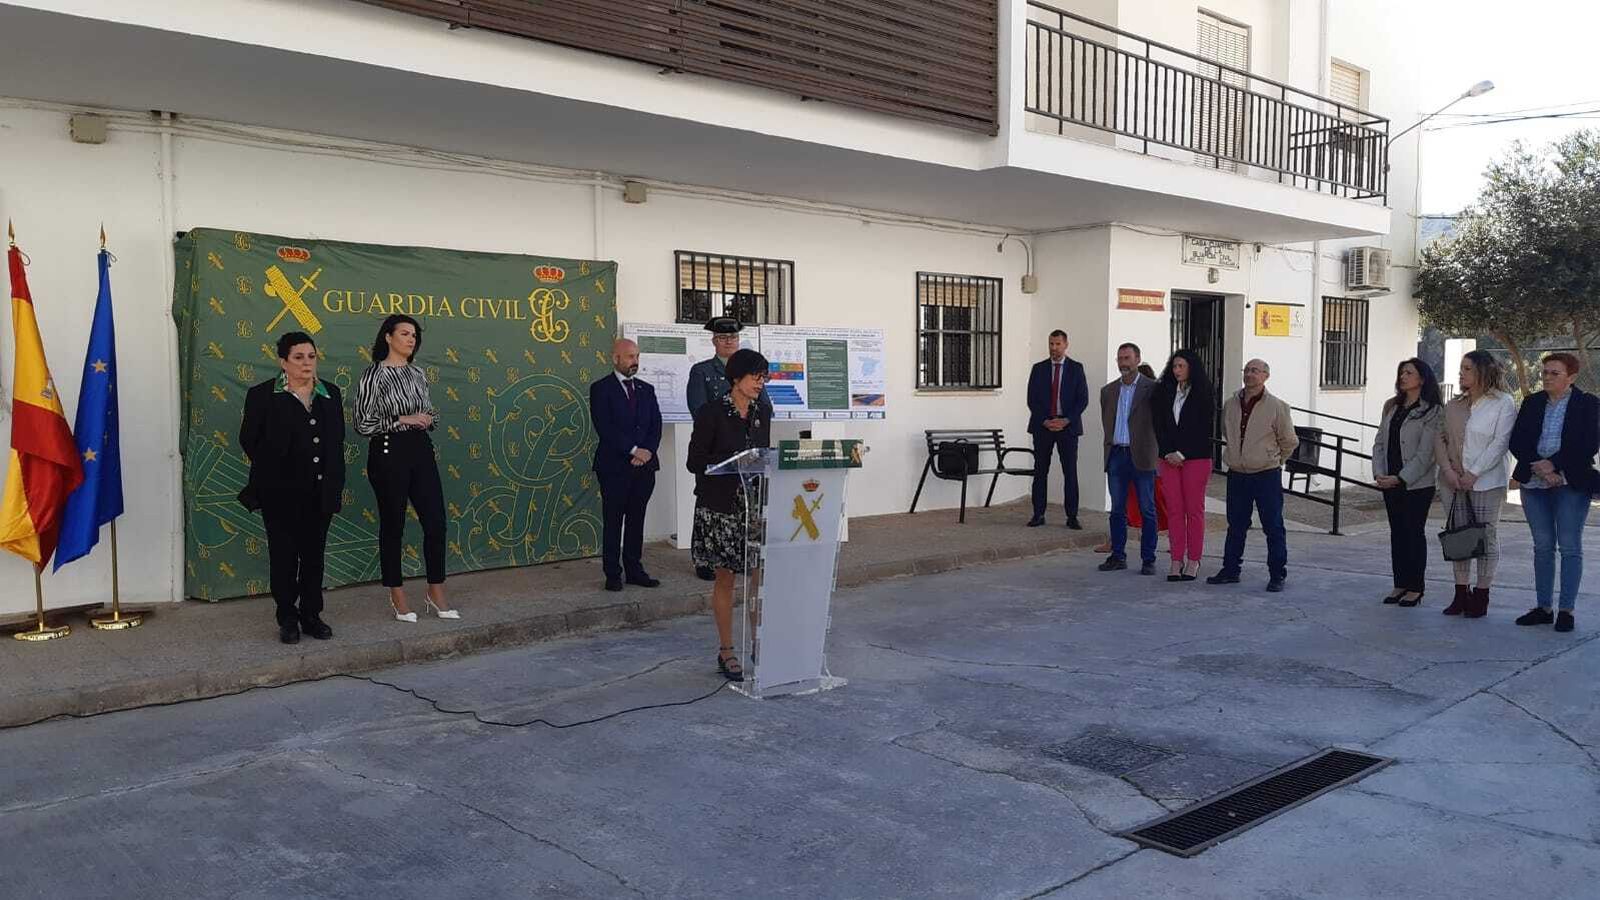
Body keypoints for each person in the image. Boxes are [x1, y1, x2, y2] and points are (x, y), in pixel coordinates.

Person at [238, 331, 346, 644]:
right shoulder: (262, 395)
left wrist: (333, 484)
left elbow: (335, 443)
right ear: (283, 361)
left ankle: (311, 615)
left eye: (311, 356)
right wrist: (275, 471)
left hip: (320, 492)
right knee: (284, 557)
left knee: (314, 557)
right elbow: (249, 439)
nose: (306, 363)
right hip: (280, 494)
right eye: (298, 357)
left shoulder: (331, 394)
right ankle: (287, 616)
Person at [353, 314, 459, 622]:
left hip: (420, 450)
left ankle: (435, 590)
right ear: (388, 337)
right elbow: (362, 423)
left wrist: (427, 417)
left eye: (414, 335)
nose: (411, 339)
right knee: (393, 526)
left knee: (436, 522)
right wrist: (402, 419)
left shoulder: (418, 373)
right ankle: (396, 593)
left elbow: (429, 412)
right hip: (387, 451)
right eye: (404, 333)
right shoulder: (372, 375)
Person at [686, 349, 772, 682]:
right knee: (726, 577)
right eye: (755, 377)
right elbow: (695, 462)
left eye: (764, 378)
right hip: (721, 508)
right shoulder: (711, 413)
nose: (760, 384)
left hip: (753, 506)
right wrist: (730, 461)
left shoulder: (762, 412)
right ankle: (726, 650)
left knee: (758, 577)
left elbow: (762, 456)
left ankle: (758, 644)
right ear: (736, 378)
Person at [1509, 352, 1599, 633]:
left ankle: (1566, 610)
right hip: (1534, 483)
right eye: (1545, 372)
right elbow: (1518, 440)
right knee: (1543, 547)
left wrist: (1555, 465)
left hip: (1570, 483)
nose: (1546, 377)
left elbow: (1588, 444)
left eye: (1554, 373)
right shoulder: (1532, 402)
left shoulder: (1588, 404)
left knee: (1570, 546)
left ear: (1571, 377)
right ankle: (1543, 607)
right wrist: (1540, 467)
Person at [686, 316, 772, 581]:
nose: (728, 342)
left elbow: (766, 407)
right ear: (714, 341)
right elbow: (698, 409)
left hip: (748, 473)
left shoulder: (755, 380)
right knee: (713, 509)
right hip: (717, 452)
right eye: (723, 338)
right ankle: (706, 560)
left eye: (733, 337)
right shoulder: (702, 371)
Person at [1434, 349, 1517, 618]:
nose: (1461, 373)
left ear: (1483, 371)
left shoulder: (1502, 403)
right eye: (1461, 368)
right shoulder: (1454, 405)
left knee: (1485, 537)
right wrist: (1448, 471)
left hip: (1486, 482)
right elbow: (1440, 438)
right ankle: (1460, 594)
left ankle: (1481, 596)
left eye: (1467, 368)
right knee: (1459, 537)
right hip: (1453, 482)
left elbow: (1500, 443)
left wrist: (1474, 473)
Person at [1207, 358, 1297, 592]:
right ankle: (1230, 570)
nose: (1249, 374)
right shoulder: (1230, 404)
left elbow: (1288, 441)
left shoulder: (1277, 406)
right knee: (1235, 525)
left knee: (1273, 526)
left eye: (1255, 371)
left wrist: (1274, 460)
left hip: (1266, 475)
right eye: (1246, 370)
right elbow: (1226, 431)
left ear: (1266, 376)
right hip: (1237, 475)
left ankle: (1277, 574)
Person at [589, 338, 663, 592]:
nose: (635, 362)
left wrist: (647, 452)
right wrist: (633, 450)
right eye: (630, 357)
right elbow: (605, 428)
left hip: (644, 467)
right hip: (613, 467)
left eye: (637, 356)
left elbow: (655, 426)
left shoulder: (647, 389)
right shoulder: (601, 389)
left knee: (637, 519)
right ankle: (612, 573)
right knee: (613, 520)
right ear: (616, 358)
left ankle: (634, 569)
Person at [1371, 359, 1443, 607]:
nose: (1403, 376)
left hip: (1415, 484)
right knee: (1397, 533)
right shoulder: (1392, 406)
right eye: (1401, 372)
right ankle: (1399, 583)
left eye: (1409, 373)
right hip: (1388, 481)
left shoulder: (1432, 410)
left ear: (1422, 378)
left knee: (1413, 533)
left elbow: (1426, 454)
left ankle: (1415, 587)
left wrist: (1401, 478)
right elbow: (1380, 442)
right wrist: (1379, 473)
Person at [1153, 349, 1214, 582]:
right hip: (1168, 459)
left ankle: (1194, 559)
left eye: (1182, 366)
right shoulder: (1163, 392)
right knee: (1175, 511)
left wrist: (1182, 452)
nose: (1177, 370)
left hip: (1195, 458)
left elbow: (1203, 427)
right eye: (1174, 366)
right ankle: (1176, 559)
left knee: (1193, 510)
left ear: (1191, 368)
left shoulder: (1203, 392)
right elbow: (1159, 425)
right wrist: (1169, 451)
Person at [1098, 343, 1160, 575]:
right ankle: (1118, 555)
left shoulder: (1152, 389)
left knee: (1147, 508)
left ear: (1137, 359)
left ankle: (1148, 558)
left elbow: (1160, 423)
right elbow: (1107, 422)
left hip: (1143, 456)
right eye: (1120, 358)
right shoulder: (1108, 391)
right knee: (1117, 509)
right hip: (1117, 454)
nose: (1123, 363)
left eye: (1127, 358)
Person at [1026, 329, 1088, 529]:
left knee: (1069, 472)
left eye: (1057, 344)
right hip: (1043, 426)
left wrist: (1066, 420)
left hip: (1067, 428)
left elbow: (1082, 399)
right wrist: (1044, 420)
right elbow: (1032, 399)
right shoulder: (1038, 368)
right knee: (1040, 471)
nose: (1054, 348)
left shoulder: (1076, 368)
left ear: (1066, 344)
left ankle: (1072, 516)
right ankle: (1038, 514)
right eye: (1051, 344)